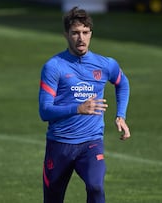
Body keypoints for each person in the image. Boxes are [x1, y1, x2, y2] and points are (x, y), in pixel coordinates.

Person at [38, 6, 131, 203]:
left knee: (96, 187)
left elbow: (122, 83)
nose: (81, 38)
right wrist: (78, 109)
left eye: (85, 32)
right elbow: (45, 111)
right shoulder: (54, 67)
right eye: (75, 33)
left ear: (90, 33)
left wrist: (120, 115)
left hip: (91, 143)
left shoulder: (105, 64)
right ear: (66, 35)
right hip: (59, 145)